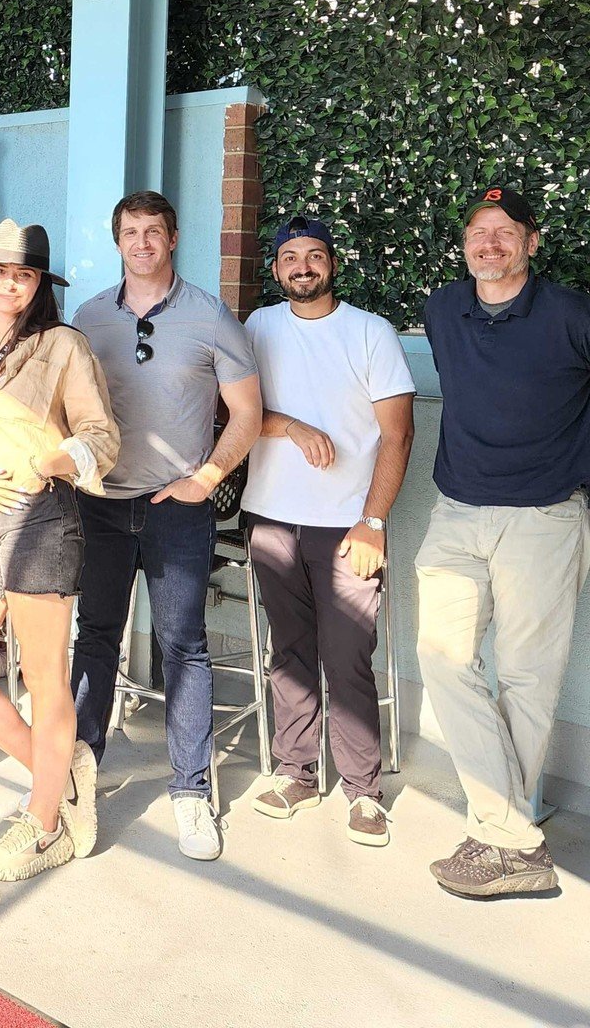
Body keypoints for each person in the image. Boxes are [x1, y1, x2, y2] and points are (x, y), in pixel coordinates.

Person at [0, 220, 119, 880]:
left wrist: (56, 458)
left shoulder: (64, 345)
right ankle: (61, 772)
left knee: (44, 679)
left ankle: (43, 823)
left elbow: (102, 434)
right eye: (0, 272)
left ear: (38, 284)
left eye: (24, 274)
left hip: (41, 518)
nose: (10, 283)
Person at [70, 190, 262, 862]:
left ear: (173, 238)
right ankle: (79, 774)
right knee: (94, 636)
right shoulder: (88, 317)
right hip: (100, 503)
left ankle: (190, 790)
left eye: (154, 232)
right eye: (131, 233)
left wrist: (205, 480)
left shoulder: (210, 315)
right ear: (116, 240)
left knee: (184, 644)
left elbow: (247, 413)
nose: (142, 243)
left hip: (176, 508)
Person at [416, 186, 590, 898]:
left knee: (526, 678)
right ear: (464, 245)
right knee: (443, 658)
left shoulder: (573, 315)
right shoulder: (442, 309)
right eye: (477, 232)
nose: (490, 243)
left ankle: (498, 839)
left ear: (531, 241)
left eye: (504, 231)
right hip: (456, 512)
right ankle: (514, 837)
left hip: (544, 519)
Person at [240, 215, 415, 847]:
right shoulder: (258, 327)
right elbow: (236, 413)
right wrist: (290, 427)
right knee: (288, 651)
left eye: (315, 256)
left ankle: (364, 790)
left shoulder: (370, 332)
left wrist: (373, 523)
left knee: (347, 657)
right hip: (272, 517)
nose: (302, 267)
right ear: (278, 268)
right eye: (290, 257)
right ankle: (297, 772)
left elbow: (398, 435)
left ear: (332, 264)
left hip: (348, 527)